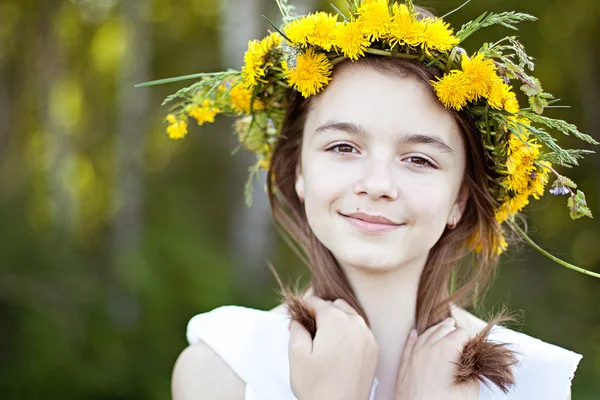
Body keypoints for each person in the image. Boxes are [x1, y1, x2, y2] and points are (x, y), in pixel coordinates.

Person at [138, 1, 596, 398]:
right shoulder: (222, 370)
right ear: (299, 170)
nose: (377, 184)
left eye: (418, 159)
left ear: (460, 198)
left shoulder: (530, 383)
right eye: (343, 148)